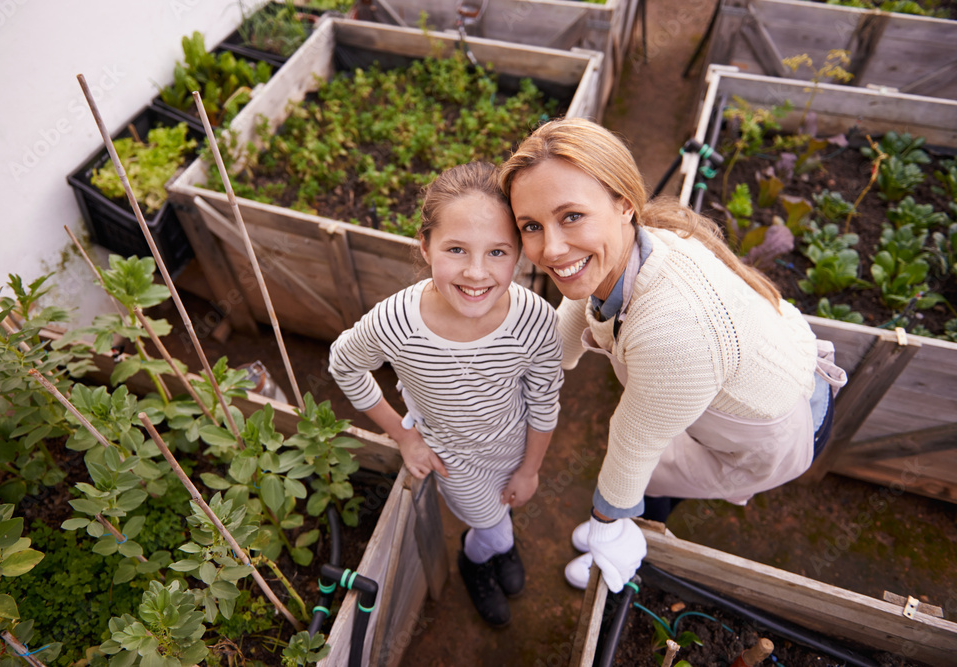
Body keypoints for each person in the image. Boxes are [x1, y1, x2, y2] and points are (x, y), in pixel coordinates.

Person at [497, 118, 846, 593]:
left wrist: (603, 524)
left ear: (623, 204)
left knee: (653, 472)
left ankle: (624, 546)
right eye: (531, 226)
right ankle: (628, 526)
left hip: (781, 423)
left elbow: (633, 442)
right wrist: (523, 372)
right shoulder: (630, 245)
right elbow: (578, 306)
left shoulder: (676, 331)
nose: (551, 248)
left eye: (571, 216)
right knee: (651, 461)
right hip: (752, 366)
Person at [328, 162, 564, 626]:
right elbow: (345, 364)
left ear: (519, 253)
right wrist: (403, 435)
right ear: (425, 245)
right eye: (456, 249)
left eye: (498, 252)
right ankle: (478, 559)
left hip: (514, 444)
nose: (476, 274)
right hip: (454, 457)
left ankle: (497, 539)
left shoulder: (535, 320)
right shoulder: (396, 321)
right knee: (490, 527)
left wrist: (531, 468)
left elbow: (543, 399)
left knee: (509, 505)